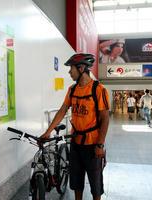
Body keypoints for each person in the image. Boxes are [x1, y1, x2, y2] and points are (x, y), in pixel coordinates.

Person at [40, 53, 110, 200]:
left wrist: (100, 144)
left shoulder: (98, 89)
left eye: (71, 68)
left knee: (95, 185)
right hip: (75, 143)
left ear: (81, 68)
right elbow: (62, 110)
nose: (69, 72)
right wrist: (48, 132)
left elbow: (105, 118)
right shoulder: (72, 89)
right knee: (76, 183)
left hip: (93, 145)